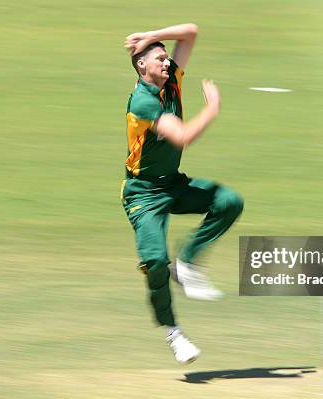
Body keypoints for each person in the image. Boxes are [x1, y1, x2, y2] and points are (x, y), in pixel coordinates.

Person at [121, 23, 244, 364]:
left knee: (229, 201)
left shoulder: (169, 79)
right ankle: (173, 331)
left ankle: (187, 262)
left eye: (166, 58)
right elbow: (183, 136)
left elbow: (190, 31)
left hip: (172, 183)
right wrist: (212, 109)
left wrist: (149, 35)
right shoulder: (142, 101)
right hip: (143, 194)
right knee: (155, 262)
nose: (166, 63)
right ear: (141, 66)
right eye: (158, 58)